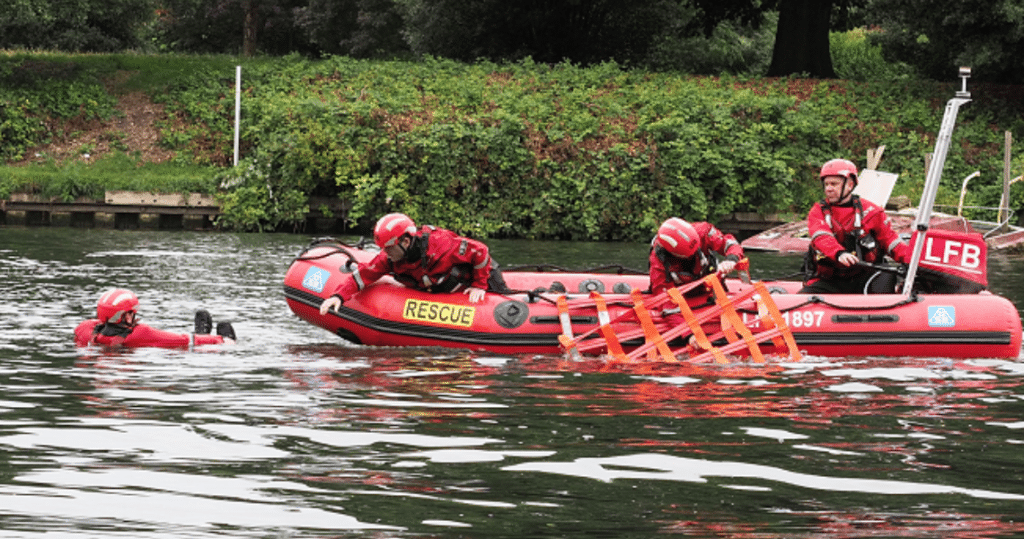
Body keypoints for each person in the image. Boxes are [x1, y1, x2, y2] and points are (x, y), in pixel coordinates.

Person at [319, 212, 510, 314]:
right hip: (443, 289)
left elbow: (480, 251)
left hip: (479, 277)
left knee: (504, 302)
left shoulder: (441, 245)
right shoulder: (391, 258)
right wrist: (338, 296)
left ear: (406, 241)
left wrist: (479, 285)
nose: (385, 253)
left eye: (388, 248)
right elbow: (364, 275)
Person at [800, 158, 910, 294]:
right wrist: (839, 253)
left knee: (886, 279)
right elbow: (821, 236)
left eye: (834, 184)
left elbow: (890, 241)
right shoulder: (817, 211)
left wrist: (911, 259)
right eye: (826, 184)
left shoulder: (872, 212)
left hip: (867, 275)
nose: (828, 189)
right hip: (831, 280)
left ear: (850, 185)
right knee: (804, 298)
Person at [74, 288, 237, 348]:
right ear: (126, 316)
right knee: (224, 328)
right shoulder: (140, 333)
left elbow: (98, 323)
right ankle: (209, 335)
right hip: (193, 347)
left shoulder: (86, 330)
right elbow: (182, 340)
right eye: (132, 312)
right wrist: (221, 340)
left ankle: (204, 332)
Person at [648, 217, 745, 296]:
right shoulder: (659, 259)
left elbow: (729, 243)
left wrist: (732, 259)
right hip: (683, 295)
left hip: (710, 285)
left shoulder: (703, 231)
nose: (694, 254)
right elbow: (663, 295)